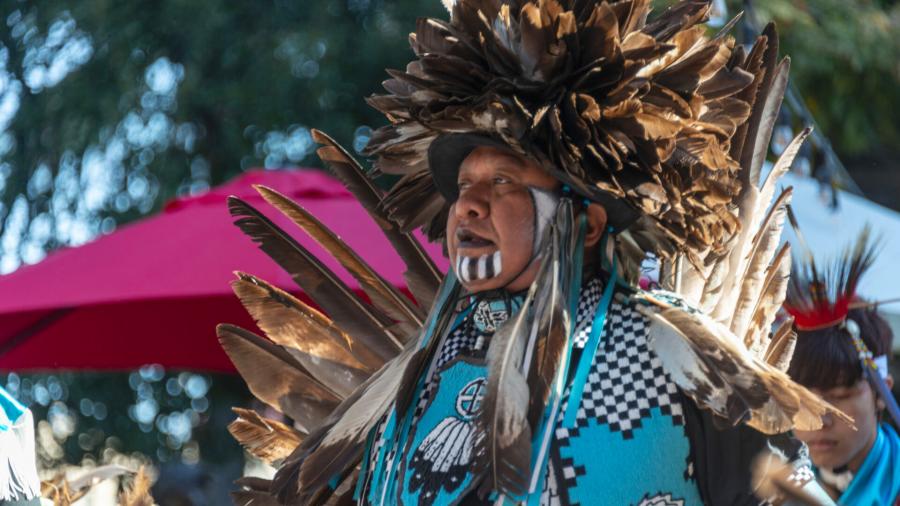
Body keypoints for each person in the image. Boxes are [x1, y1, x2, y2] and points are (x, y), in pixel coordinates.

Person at [217, 1, 845, 504]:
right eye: (462, 188)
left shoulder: (673, 354)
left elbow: (786, 487)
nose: (467, 207)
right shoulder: (411, 387)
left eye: (503, 183)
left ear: (588, 221)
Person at [784, 230, 900, 504]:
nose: (819, 420)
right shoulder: (771, 483)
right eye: (802, 400)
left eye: (839, 397)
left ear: (880, 394)